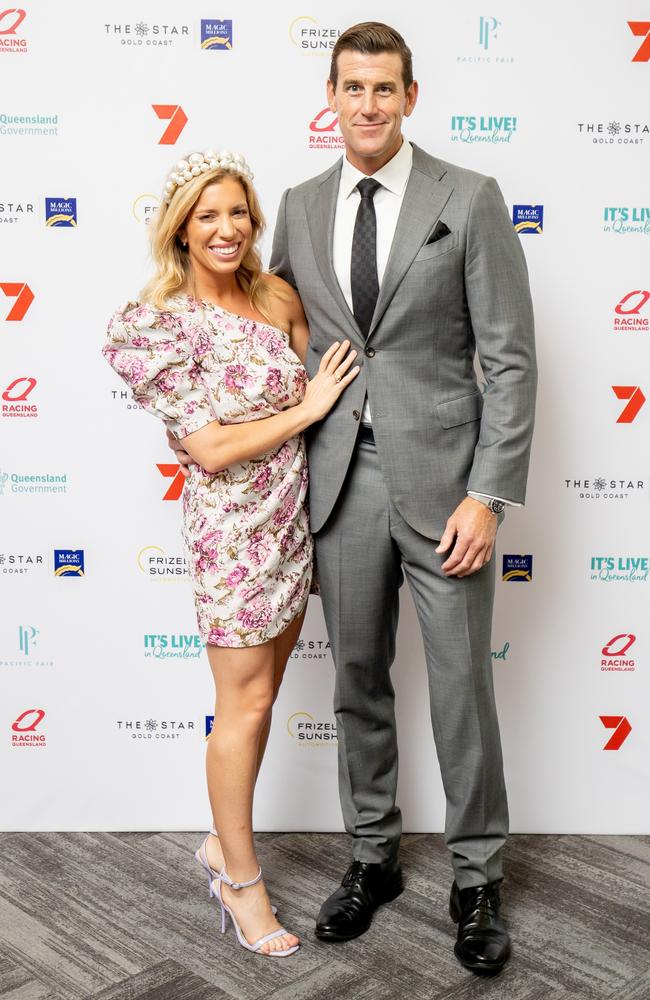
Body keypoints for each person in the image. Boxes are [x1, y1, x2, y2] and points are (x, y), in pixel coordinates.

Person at [172, 21, 537, 974]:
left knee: (461, 689)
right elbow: (255, 327)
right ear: (329, 97)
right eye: (352, 88)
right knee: (357, 686)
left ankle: (476, 878)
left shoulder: (472, 197)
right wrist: (191, 402)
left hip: (448, 489)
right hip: (333, 485)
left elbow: (508, 359)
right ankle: (372, 858)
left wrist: (489, 496)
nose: (367, 105)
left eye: (385, 89)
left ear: (410, 97)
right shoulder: (292, 206)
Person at [102, 149, 359, 958]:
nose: (226, 228)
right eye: (207, 214)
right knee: (241, 708)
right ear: (180, 226)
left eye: (238, 213)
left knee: (265, 698)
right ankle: (241, 883)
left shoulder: (275, 295)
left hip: (294, 521)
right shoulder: (160, 322)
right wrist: (308, 408)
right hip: (233, 534)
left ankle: (222, 843)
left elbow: (329, 377)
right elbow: (210, 448)